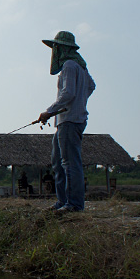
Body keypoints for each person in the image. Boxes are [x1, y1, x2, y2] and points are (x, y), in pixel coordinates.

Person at [38, 31, 96, 213]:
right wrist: (80, 99)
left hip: (70, 120)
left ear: (63, 48)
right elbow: (91, 86)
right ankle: (62, 201)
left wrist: (49, 111)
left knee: (70, 163)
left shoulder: (70, 65)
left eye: (56, 47)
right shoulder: (79, 67)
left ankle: (74, 204)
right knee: (57, 161)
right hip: (66, 120)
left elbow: (68, 92)